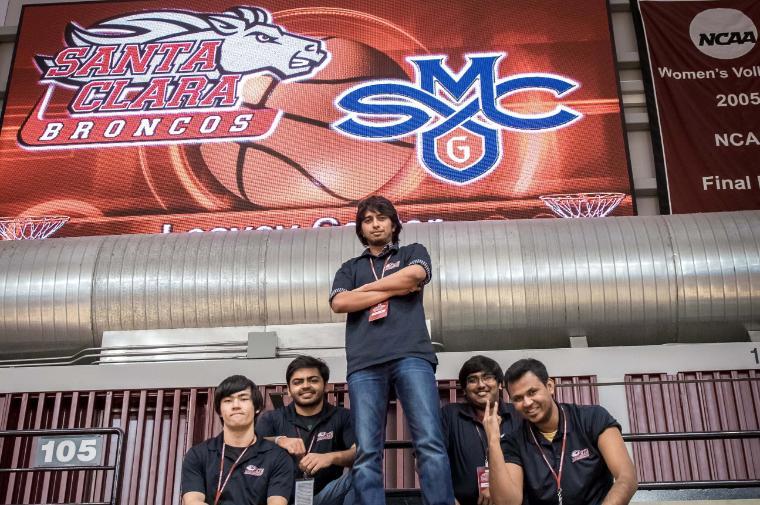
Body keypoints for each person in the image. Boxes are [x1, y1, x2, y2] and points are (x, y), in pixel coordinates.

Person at [330, 195, 455, 505]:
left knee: (429, 442)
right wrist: (393, 287)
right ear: (361, 228)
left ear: (393, 223)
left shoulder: (414, 251)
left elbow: (416, 275)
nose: (375, 224)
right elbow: (339, 302)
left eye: (381, 218)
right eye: (368, 220)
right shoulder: (350, 267)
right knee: (367, 451)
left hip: (411, 355)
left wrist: (364, 293)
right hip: (364, 364)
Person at [484, 358, 638, 505]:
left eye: (532, 392)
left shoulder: (592, 418)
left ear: (550, 386)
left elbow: (626, 477)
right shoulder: (514, 441)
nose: (527, 403)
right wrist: (493, 442)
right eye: (518, 398)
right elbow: (508, 502)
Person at [256, 355, 356, 505]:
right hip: (280, 500)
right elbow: (247, 448)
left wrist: (330, 457)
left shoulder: (343, 416)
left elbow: (359, 453)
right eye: (298, 382)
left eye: (313, 380)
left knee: (363, 471)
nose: (305, 386)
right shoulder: (272, 418)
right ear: (289, 390)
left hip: (326, 498)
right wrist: (279, 440)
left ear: (326, 386)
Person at [181, 375, 294, 505]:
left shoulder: (278, 457)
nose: (236, 405)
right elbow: (193, 501)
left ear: (257, 408)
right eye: (228, 400)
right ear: (219, 411)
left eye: (243, 399)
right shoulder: (198, 454)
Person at [441, 355, 520, 505]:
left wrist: (497, 487)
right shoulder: (450, 415)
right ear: (464, 390)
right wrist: (447, 498)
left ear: (500, 384)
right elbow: (427, 461)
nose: (481, 385)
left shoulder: (518, 415)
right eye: (472, 380)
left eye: (487, 377)